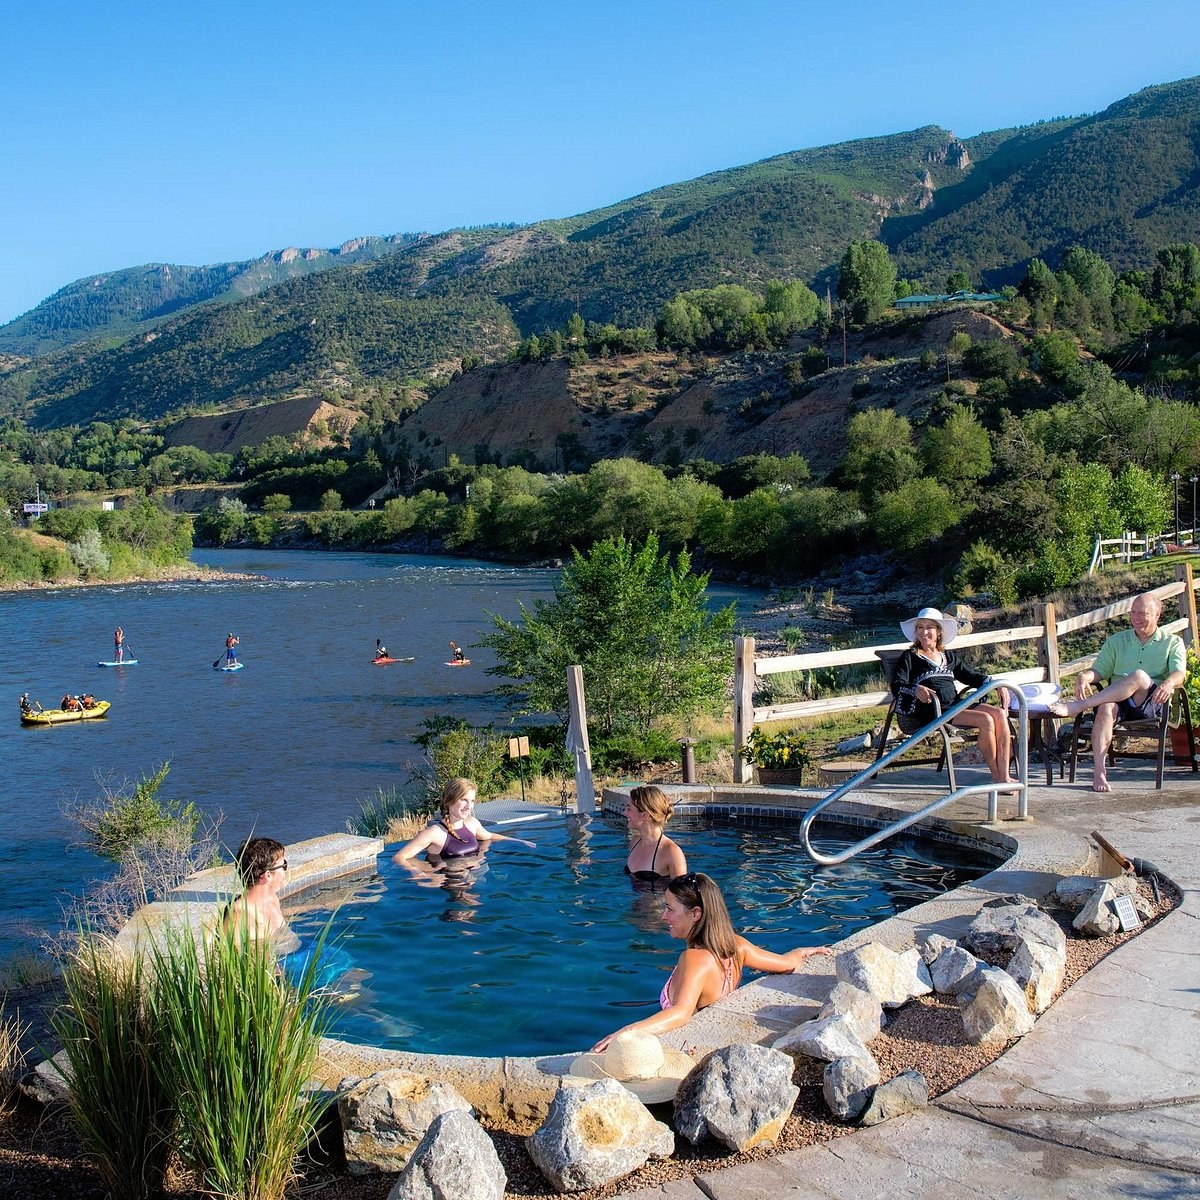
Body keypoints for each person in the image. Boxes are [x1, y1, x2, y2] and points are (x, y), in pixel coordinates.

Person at [592, 871, 828, 1052]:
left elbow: (681, 1013)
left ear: (695, 913)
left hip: (686, 1047)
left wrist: (627, 1032)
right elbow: (787, 964)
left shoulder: (693, 959)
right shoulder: (737, 946)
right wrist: (800, 952)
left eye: (669, 909)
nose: (663, 916)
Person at [1047, 591, 1185, 792]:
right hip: (1119, 700)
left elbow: (1179, 673)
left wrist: (1169, 683)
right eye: (1133, 613)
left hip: (1150, 700)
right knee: (1104, 709)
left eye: (1143, 613)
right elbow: (1099, 671)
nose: (1136, 618)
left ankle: (1079, 706)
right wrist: (1085, 676)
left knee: (1139, 676)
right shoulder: (1117, 641)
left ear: (1157, 615)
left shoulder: (1172, 642)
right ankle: (1099, 773)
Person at [892, 606, 1013, 785]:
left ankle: (1005, 773)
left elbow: (970, 675)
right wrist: (916, 688)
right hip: (934, 710)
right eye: (920, 627)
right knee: (986, 720)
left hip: (955, 705)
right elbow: (897, 684)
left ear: (939, 632)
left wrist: (997, 684)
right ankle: (997, 776)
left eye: (929, 627)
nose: (924, 632)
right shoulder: (910, 657)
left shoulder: (947, 656)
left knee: (1000, 714)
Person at [392, 777, 535, 863]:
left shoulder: (472, 824)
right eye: (464, 800)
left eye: (472, 801)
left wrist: (520, 842)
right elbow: (399, 857)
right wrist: (422, 872)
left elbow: (490, 836)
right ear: (449, 801)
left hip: (474, 881)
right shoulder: (435, 833)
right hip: (451, 887)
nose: (469, 806)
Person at [222, 836, 290, 942]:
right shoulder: (239, 914)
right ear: (268, 875)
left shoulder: (272, 899)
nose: (285, 871)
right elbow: (234, 953)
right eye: (284, 866)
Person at [624, 785, 687, 882]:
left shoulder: (672, 852)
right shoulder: (635, 841)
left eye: (629, 809)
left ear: (645, 815)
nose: (625, 813)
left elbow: (682, 893)